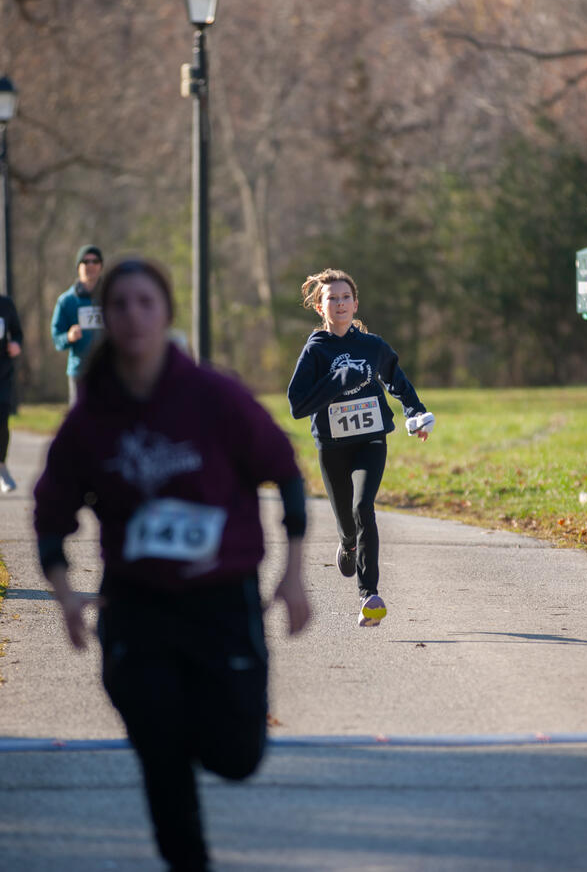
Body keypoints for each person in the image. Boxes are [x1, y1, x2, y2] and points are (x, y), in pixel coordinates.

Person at [34, 256, 310, 872]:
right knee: (162, 760)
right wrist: (65, 594)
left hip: (221, 601)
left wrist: (293, 572)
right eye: (120, 304)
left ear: (166, 315)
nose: (133, 315)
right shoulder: (91, 419)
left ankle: (183, 719)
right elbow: (50, 513)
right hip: (137, 608)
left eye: (145, 302)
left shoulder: (214, 396)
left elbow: (285, 472)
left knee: (236, 755)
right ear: (106, 318)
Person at [287, 268, 433, 629]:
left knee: (363, 506)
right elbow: (297, 405)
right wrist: (338, 380)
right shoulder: (316, 350)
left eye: (345, 297)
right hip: (332, 445)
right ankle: (348, 545)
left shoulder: (372, 346)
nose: (339, 303)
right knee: (347, 524)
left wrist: (415, 412)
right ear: (321, 308)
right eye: (331, 298)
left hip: (371, 440)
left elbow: (396, 380)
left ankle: (369, 594)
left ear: (355, 303)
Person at [51, 244, 104, 405]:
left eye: (95, 261)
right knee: (81, 424)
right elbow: (56, 338)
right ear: (78, 267)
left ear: (101, 266)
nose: (90, 265)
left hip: (109, 371)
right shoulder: (67, 301)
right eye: (85, 262)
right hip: (80, 372)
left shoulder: (113, 297)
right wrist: (68, 336)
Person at [0, 293, 23, 494]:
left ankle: (1, 468)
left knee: (1, 423)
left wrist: (16, 344)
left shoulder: (5, 304)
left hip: (2, 375)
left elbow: (17, 333)